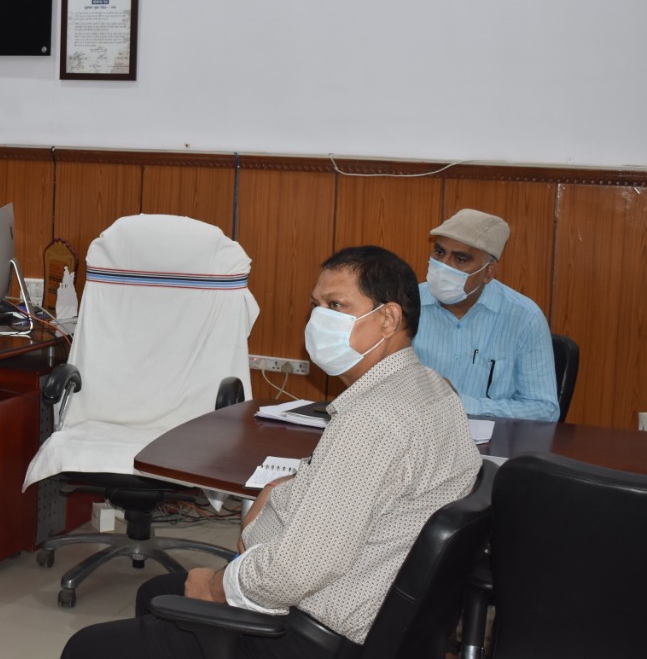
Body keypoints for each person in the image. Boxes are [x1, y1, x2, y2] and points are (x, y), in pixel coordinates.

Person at [61, 246, 481, 659]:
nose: (318, 319)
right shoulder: (433, 390)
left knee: (87, 647)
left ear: (388, 319)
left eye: (336, 305)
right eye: (316, 306)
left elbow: (297, 571)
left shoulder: (371, 420)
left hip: (312, 632)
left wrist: (216, 586)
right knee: (158, 593)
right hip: (379, 614)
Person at [412, 208, 559, 421]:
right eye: (439, 252)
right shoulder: (404, 304)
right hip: (415, 433)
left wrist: (461, 403)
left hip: (491, 440)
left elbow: (544, 410)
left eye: (460, 259)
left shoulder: (524, 318)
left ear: (488, 272)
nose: (444, 266)